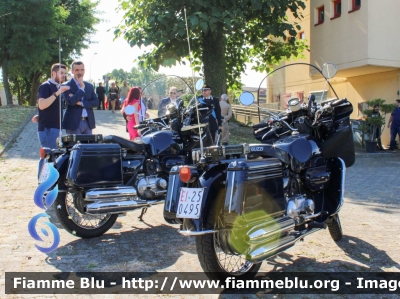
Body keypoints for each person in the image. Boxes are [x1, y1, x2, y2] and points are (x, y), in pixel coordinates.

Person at [36, 63, 70, 148]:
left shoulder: (57, 87)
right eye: (61, 73)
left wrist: (39, 115)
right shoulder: (46, 86)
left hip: (56, 127)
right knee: (49, 156)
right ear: (54, 73)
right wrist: (57, 93)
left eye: (64, 73)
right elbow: (42, 105)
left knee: (52, 157)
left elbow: (50, 107)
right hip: (48, 128)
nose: (63, 75)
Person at [62, 61, 99, 135]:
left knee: (88, 146)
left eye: (82, 70)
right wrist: (81, 88)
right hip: (73, 123)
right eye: (77, 70)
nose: (80, 72)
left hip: (88, 122)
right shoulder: (66, 86)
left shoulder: (89, 86)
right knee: (74, 146)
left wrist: (82, 103)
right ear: (72, 71)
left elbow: (96, 102)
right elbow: (71, 101)